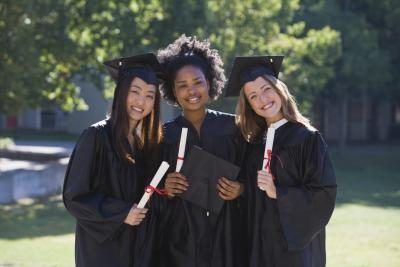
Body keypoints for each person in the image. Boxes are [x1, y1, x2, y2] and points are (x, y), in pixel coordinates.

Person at [225, 56, 337, 267]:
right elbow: (251, 192)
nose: (263, 99)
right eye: (253, 96)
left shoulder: (306, 138)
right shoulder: (254, 143)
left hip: (292, 248)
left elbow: (324, 192)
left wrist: (279, 192)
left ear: (279, 89)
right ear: (249, 105)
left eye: (266, 89)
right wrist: (241, 189)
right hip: (257, 244)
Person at [63, 53, 164, 267]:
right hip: (103, 251)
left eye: (149, 95)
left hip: (137, 248)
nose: (141, 101)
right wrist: (121, 213)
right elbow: (74, 197)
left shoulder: (144, 145)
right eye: (135, 92)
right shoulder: (96, 136)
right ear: (121, 93)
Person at [156, 35, 246, 267]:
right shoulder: (163, 137)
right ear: (172, 91)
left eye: (197, 82)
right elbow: (147, 188)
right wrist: (165, 188)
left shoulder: (234, 128)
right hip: (179, 241)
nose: (191, 91)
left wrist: (241, 188)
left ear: (210, 82)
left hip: (228, 234)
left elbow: (255, 173)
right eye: (182, 85)